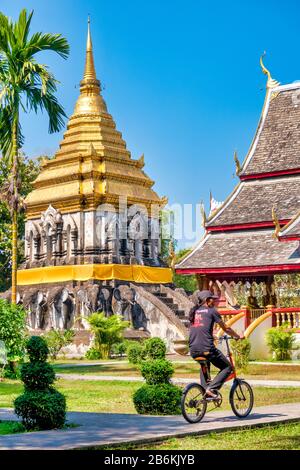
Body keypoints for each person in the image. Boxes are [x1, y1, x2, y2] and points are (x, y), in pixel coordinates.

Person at [189, 290, 244, 398]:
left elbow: (198, 328)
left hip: (193, 349)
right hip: (207, 348)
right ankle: (212, 389)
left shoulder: (193, 312)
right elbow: (226, 328)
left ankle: (205, 390)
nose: (214, 301)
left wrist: (212, 335)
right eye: (212, 299)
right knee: (228, 368)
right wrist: (237, 336)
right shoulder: (211, 311)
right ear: (207, 300)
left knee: (204, 363)